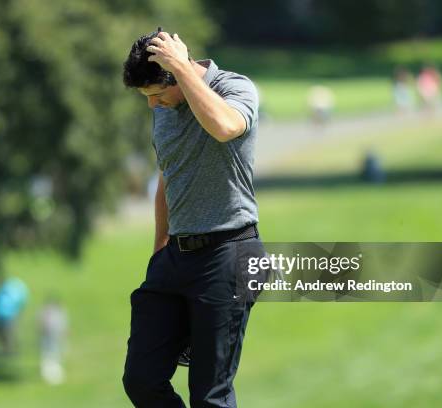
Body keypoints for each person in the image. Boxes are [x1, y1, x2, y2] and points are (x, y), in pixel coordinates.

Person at [121, 28, 265, 407]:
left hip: (229, 254)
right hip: (174, 260)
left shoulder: (236, 87)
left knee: (210, 397)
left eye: (156, 94)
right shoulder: (164, 111)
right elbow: (170, 177)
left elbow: (225, 127)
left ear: (178, 72)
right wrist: (158, 253)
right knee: (141, 380)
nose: (153, 105)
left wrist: (183, 69)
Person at [38, 296, 68, 385]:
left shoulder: (59, 313)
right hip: (47, 337)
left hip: (54, 338)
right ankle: (48, 374)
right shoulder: (45, 313)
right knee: (47, 356)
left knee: (54, 355)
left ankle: (55, 375)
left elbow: (63, 326)